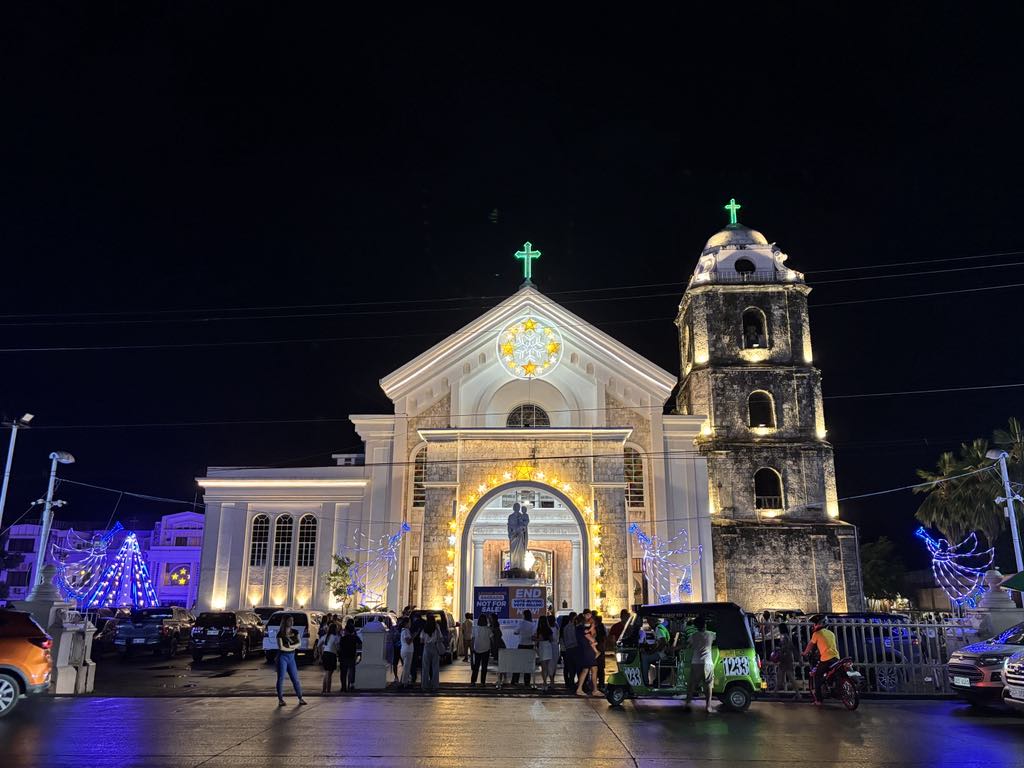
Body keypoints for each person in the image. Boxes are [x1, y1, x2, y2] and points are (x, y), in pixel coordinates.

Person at [803, 615, 839, 705]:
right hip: (836, 657)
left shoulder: (816, 634)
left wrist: (804, 653)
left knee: (817, 677)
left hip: (826, 658)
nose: (814, 626)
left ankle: (818, 700)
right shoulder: (831, 633)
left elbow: (810, 645)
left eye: (815, 624)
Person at [684, 616, 716, 712]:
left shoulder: (693, 636)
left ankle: (688, 703)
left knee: (692, 685)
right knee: (708, 685)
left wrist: (673, 648)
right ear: (705, 625)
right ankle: (708, 707)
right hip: (708, 663)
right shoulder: (711, 634)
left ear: (696, 626)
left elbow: (687, 645)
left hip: (696, 662)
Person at [275, 615, 307, 706]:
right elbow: (281, 647)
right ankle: (280, 699)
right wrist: (292, 647)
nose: (292, 622)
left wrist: (291, 647)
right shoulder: (280, 634)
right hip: (282, 657)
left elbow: (299, 644)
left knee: (295, 678)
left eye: (292, 620)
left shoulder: (295, 632)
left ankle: (300, 698)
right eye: (290, 621)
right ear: (285, 622)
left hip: (291, 657)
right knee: (281, 678)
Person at [639, 616, 669, 688]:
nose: (649, 624)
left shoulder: (658, 629)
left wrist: (652, 652)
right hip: (662, 653)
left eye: (649, 622)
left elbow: (663, 643)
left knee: (644, 658)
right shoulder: (660, 627)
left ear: (653, 621)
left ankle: (645, 682)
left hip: (662, 654)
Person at [575, 612, 599, 696]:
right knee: (587, 669)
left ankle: (593, 689)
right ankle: (582, 688)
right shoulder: (582, 629)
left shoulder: (579, 628)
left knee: (591, 669)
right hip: (587, 650)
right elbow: (592, 639)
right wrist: (594, 639)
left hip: (585, 650)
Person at [420, 614, 444, 692]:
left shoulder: (425, 627)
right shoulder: (436, 627)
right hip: (435, 647)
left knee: (425, 667)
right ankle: (435, 685)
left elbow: (421, 640)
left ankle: (424, 685)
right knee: (435, 667)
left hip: (426, 647)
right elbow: (440, 637)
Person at [511, 609, 535, 687]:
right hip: (530, 645)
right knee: (528, 664)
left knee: (518, 664)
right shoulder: (533, 624)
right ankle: (527, 682)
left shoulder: (521, 623)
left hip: (521, 645)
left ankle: (515, 680)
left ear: (524, 615)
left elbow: (515, 632)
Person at [775, 623, 798, 698]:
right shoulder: (787, 637)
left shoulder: (784, 637)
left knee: (782, 676)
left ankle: (775, 692)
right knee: (786, 676)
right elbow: (792, 648)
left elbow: (786, 648)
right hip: (787, 659)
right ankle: (775, 692)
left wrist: (779, 649)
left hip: (784, 659)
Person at [337, 619, 361, 693]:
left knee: (343, 673)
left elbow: (339, 647)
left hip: (343, 657)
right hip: (351, 656)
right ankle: (351, 685)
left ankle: (343, 687)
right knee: (351, 671)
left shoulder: (343, 638)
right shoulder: (355, 638)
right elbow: (360, 643)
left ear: (346, 630)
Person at [537, 615, 558, 691]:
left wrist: (535, 639)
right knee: (550, 666)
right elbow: (552, 639)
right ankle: (551, 682)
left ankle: (545, 683)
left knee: (544, 667)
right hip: (549, 647)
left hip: (542, 647)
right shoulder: (550, 629)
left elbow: (540, 638)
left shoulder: (540, 629)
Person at [470, 614, 492, 685]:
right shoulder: (488, 629)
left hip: (477, 648)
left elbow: (473, 639)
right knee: (484, 666)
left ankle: (473, 681)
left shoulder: (475, 628)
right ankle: (483, 682)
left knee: (476, 666)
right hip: (486, 649)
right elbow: (492, 638)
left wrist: (472, 648)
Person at [321, 621, 340, 694]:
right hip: (332, 655)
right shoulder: (336, 637)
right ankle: (328, 690)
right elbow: (338, 647)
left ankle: (324, 689)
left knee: (326, 673)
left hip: (325, 654)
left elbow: (319, 645)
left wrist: (321, 654)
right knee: (329, 674)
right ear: (334, 629)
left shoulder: (325, 636)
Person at [560, 611, 578, 691]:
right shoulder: (573, 627)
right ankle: (571, 683)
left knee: (569, 667)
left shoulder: (565, 627)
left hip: (568, 649)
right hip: (573, 648)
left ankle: (570, 683)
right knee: (573, 667)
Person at [489, 613, 507, 688]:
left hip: (497, 646)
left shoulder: (494, 628)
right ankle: (502, 678)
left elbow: (494, 638)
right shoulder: (495, 626)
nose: (489, 619)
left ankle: (501, 679)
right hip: (499, 646)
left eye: (490, 618)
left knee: (500, 663)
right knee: (501, 663)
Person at [399, 617, 415, 687]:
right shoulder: (406, 631)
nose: (410, 624)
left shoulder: (404, 630)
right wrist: (414, 635)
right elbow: (408, 641)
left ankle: (404, 681)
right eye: (409, 622)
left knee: (406, 666)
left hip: (405, 650)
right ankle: (405, 683)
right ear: (406, 623)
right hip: (407, 651)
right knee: (407, 667)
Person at [593, 612, 607, 691]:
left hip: (598, 647)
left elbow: (604, 637)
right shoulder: (600, 626)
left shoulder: (600, 626)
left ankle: (600, 684)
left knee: (599, 667)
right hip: (598, 647)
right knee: (598, 667)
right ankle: (600, 684)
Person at [388, 618, 403, 683]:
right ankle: (396, 677)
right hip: (395, 648)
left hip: (402, 647)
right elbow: (390, 637)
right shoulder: (393, 628)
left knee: (404, 662)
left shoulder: (404, 628)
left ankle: (404, 676)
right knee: (395, 663)